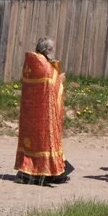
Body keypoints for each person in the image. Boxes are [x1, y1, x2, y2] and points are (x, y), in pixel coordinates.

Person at [15, 37, 74, 185]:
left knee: (32, 144)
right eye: (52, 49)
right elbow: (52, 88)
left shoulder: (31, 62)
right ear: (47, 50)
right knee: (45, 143)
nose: (53, 52)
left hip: (30, 113)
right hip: (44, 115)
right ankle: (43, 173)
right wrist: (60, 79)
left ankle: (26, 170)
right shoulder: (45, 66)